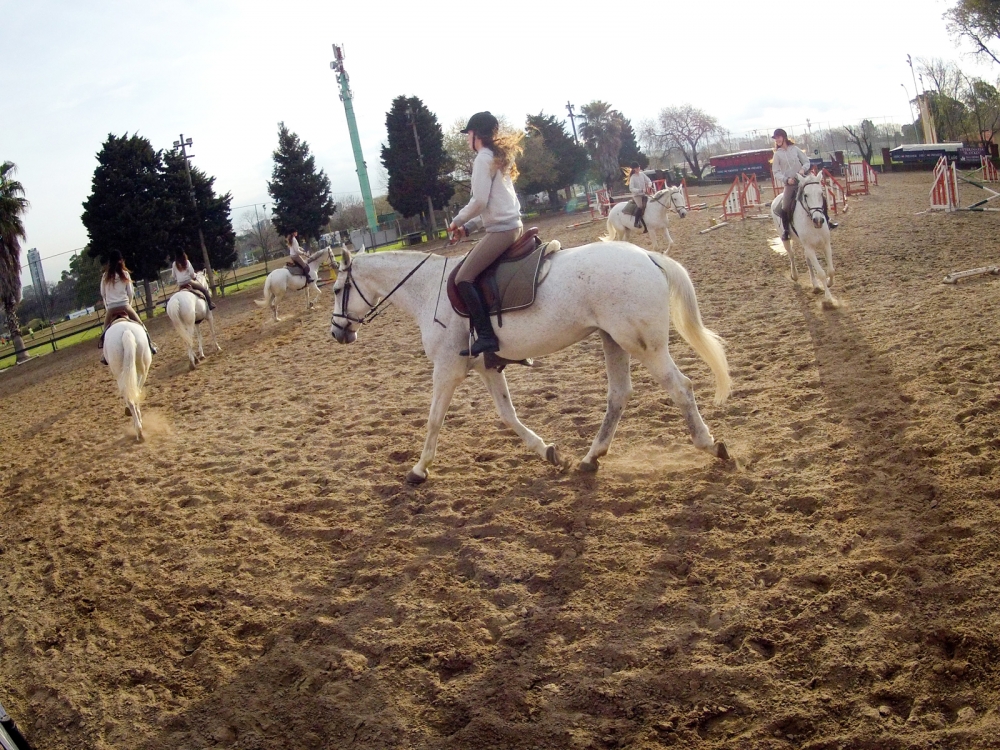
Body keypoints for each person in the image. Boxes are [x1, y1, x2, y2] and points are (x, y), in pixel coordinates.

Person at [447, 111, 524, 358]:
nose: (466, 139)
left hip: (502, 231)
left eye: (467, 134)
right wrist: (468, 228)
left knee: (463, 278)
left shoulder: (483, 158)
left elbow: (479, 201)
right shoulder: (497, 157)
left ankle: (487, 337)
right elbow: (493, 205)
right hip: (512, 225)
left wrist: (457, 220)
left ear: (475, 134)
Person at [772, 128, 837, 241]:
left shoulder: (795, 149)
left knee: (820, 197)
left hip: (804, 180)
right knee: (785, 205)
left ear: (784, 137)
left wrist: (802, 170)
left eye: (778, 137)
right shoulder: (777, 155)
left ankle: (827, 220)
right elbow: (776, 172)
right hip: (790, 183)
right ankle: (786, 231)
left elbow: (806, 161)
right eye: (775, 138)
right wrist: (786, 179)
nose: (777, 139)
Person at [98, 250, 157, 362]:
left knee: (104, 332)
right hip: (125, 306)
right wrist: (128, 305)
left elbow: (103, 294)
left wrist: (109, 305)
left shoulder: (105, 276)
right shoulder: (125, 274)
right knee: (141, 325)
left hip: (111, 309)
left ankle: (104, 354)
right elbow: (131, 293)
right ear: (121, 261)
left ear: (109, 262)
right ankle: (151, 345)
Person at [628, 162, 653, 233]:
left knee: (650, 203)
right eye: (636, 168)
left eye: (638, 167)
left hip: (644, 193)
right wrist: (640, 190)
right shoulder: (632, 177)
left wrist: (649, 185)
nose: (638, 168)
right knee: (640, 206)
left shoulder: (642, 174)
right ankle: (636, 222)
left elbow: (649, 180)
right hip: (637, 195)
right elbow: (631, 188)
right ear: (634, 169)